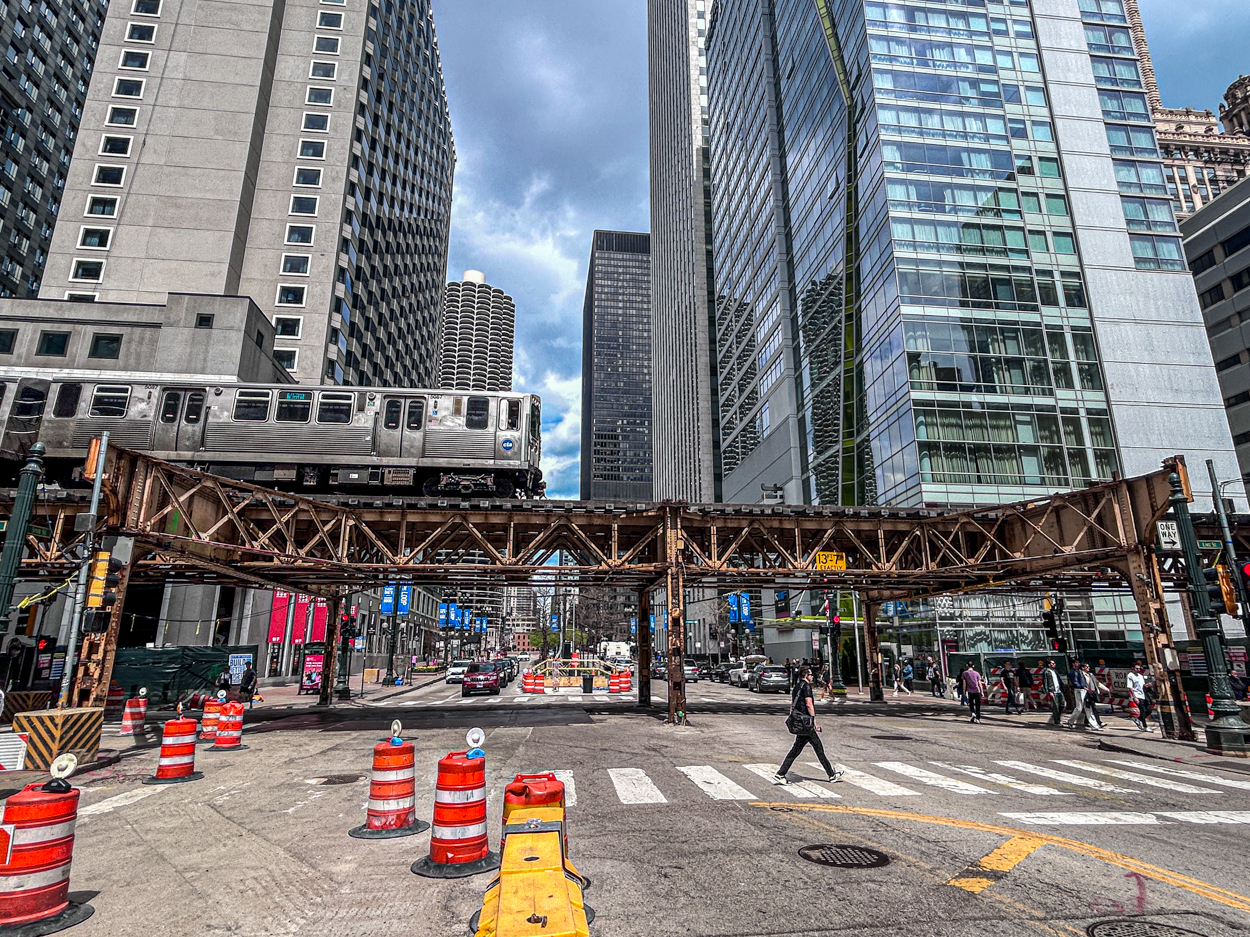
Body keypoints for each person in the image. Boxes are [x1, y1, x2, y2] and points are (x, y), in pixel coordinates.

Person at [774, 667, 843, 785]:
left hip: (800, 722)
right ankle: (831, 775)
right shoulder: (806, 686)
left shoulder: (796, 686)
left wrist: (792, 717)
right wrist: (814, 723)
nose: (812, 677)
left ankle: (781, 773)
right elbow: (809, 704)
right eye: (811, 675)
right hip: (806, 724)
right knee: (818, 749)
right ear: (806, 675)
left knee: (796, 750)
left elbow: (793, 704)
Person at [1126, 661, 1151, 731]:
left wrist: (1147, 685)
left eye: (1139, 669)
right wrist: (1134, 697)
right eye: (1136, 668)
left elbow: (1142, 685)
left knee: (1149, 710)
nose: (1138, 670)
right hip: (1137, 695)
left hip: (1143, 694)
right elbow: (1130, 687)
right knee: (1142, 710)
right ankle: (1145, 726)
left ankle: (1138, 719)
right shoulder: (1130, 675)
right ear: (1132, 668)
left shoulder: (1140, 676)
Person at [1081, 663, 1106, 729]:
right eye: (1087, 667)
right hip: (1086, 693)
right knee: (1090, 708)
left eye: (1088, 667)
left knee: (1091, 708)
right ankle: (1098, 722)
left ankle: (1090, 722)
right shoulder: (1081, 675)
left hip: (1093, 693)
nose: (1088, 668)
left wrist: (1105, 688)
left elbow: (1097, 683)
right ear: (1083, 668)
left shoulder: (1090, 674)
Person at [1041, 659, 1064, 726]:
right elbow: (1045, 682)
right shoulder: (1046, 672)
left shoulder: (1055, 671)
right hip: (1053, 691)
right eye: (1053, 663)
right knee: (1055, 706)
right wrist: (1049, 691)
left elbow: (1058, 680)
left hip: (1059, 690)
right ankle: (1057, 721)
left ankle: (1058, 717)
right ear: (1049, 664)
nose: (1054, 664)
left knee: (1062, 705)